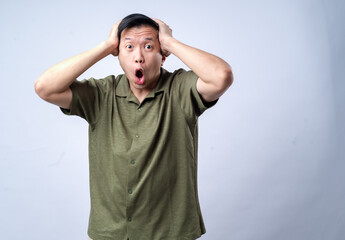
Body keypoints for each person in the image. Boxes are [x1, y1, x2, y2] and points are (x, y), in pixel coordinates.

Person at [34, 13, 233, 240]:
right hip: (113, 232)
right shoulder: (102, 94)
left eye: (149, 47)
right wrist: (107, 45)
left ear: (162, 56)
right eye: (128, 47)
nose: (138, 57)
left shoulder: (180, 89)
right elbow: (45, 87)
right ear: (117, 55)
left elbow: (221, 76)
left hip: (170, 232)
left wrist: (169, 42)